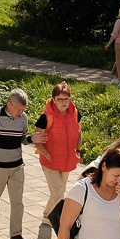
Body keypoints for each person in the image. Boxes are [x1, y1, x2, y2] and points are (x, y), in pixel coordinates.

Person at [0, 89, 41, 239]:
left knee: (18, 201)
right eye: (19, 109)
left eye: (23, 110)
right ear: (9, 104)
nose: (21, 112)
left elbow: (23, 140)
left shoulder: (23, 118)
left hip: (17, 166)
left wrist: (32, 139)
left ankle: (16, 234)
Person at [35, 82, 82, 224]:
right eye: (60, 99)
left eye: (66, 99)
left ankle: (47, 215)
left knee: (58, 192)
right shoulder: (45, 117)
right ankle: (58, 222)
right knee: (58, 193)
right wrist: (48, 156)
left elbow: (79, 133)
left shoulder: (74, 113)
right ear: (54, 99)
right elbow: (37, 139)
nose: (64, 103)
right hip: (50, 162)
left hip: (67, 160)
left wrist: (78, 151)